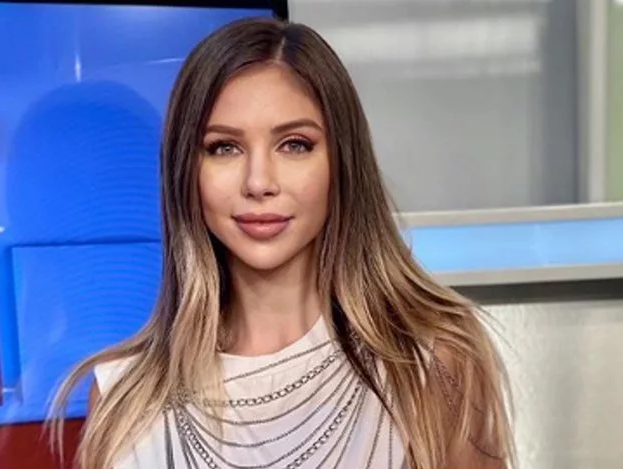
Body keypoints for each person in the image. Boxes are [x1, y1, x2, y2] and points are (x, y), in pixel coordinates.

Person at [49, 17, 514, 469]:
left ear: (341, 162)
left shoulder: (429, 359)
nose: (259, 182)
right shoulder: (124, 395)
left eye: (294, 144)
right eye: (224, 147)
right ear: (186, 172)